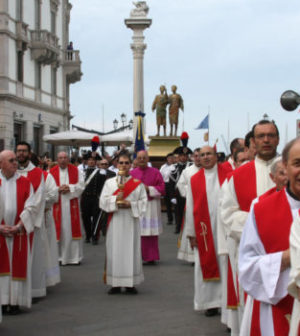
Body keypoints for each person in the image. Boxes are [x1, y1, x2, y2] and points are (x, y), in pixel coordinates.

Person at [238, 137, 300, 335]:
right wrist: (289, 257)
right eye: (298, 163)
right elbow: (247, 269)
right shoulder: (261, 210)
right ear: (285, 167)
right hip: (277, 311)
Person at [220, 120, 280, 319]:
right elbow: (227, 213)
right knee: (252, 309)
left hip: (285, 249)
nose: (266, 140)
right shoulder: (238, 176)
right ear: (253, 141)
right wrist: (259, 224)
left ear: (277, 139)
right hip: (252, 250)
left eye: (270, 135)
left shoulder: (290, 171)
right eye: (261, 136)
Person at [185, 146, 230, 317]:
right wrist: (191, 233)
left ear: (216, 156)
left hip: (225, 229)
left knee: (226, 265)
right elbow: (190, 207)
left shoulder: (227, 173)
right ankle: (210, 302)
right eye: (202, 155)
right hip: (204, 230)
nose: (205, 157)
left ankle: (227, 303)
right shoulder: (195, 179)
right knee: (204, 265)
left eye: (208, 154)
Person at [100, 154, 147, 294]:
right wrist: (116, 200)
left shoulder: (137, 184)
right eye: (121, 162)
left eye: (127, 163)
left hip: (131, 222)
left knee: (131, 251)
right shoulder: (109, 183)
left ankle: (130, 283)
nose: (124, 165)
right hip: (115, 220)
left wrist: (130, 204)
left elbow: (144, 203)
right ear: (116, 164)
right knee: (114, 250)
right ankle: (115, 283)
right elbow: (102, 201)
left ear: (131, 165)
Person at [0, 150, 36, 315]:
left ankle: (15, 302)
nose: (15, 163)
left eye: (15, 160)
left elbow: (31, 207)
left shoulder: (25, 182)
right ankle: (2, 301)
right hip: (0, 232)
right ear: (1, 164)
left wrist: (19, 226)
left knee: (16, 267)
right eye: (11, 160)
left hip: (17, 233)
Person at [16, 142, 46, 300]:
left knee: (33, 258)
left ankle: (33, 290)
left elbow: (39, 199)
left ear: (29, 153)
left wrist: (25, 219)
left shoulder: (37, 173)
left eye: (24, 151)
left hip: (31, 223)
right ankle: (16, 293)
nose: (21, 154)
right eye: (19, 151)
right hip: (12, 223)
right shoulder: (10, 171)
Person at [130, 150, 165, 264]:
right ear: (136, 159)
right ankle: (137, 256)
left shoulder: (155, 172)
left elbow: (162, 188)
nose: (141, 160)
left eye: (144, 158)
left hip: (151, 206)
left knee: (151, 233)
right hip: (138, 205)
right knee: (138, 232)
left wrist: (148, 189)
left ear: (148, 159)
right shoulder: (132, 173)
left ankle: (151, 257)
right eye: (139, 158)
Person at [50, 152, 84, 265]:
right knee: (59, 231)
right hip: (57, 205)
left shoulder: (76, 170)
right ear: (57, 159)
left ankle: (74, 258)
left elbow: (81, 186)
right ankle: (59, 257)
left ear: (68, 159)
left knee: (71, 231)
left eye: (65, 158)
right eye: (60, 158)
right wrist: (58, 189)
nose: (63, 160)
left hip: (72, 206)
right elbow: (48, 188)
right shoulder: (51, 172)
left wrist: (70, 188)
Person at [176, 148, 201, 262]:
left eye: (200, 155)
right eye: (195, 156)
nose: (198, 158)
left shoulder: (209, 170)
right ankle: (191, 256)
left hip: (205, 205)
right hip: (192, 203)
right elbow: (181, 185)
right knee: (191, 227)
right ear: (192, 157)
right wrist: (192, 192)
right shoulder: (188, 171)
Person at [81, 155, 106, 244]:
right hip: (86, 198)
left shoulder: (101, 172)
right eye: (89, 160)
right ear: (87, 162)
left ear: (95, 162)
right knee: (85, 218)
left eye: (93, 160)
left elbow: (104, 186)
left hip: (96, 198)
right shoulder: (82, 172)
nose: (91, 162)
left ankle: (95, 237)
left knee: (96, 218)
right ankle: (88, 235)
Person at [170, 146, 193, 234]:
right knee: (178, 211)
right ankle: (178, 227)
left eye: (185, 156)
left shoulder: (191, 166)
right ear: (178, 157)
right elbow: (171, 184)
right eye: (182, 156)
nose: (183, 157)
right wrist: (172, 196)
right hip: (178, 193)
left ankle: (188, 227)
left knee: (189, 210)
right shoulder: (174, 167)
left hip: (189, 192)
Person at [159, 153, 175, 225]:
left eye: (172, 158)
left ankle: (178, 219)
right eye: (169, 158)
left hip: (173, 185)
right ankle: (170, 219)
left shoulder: (175, 166)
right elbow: (160, 176)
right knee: (167, 203)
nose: (170, 159)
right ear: (167, 159)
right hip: (165, 185)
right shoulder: (163, 167)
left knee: (175, 203)